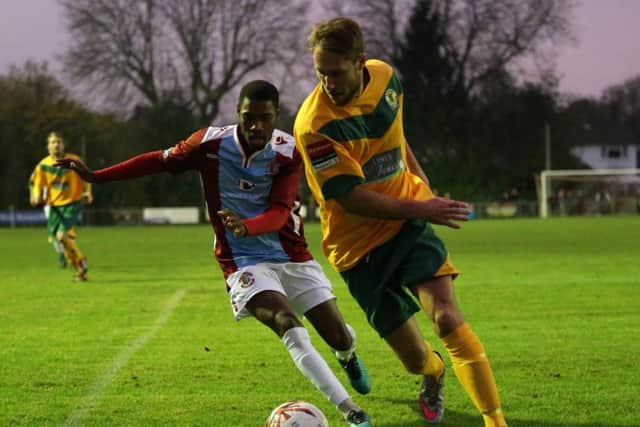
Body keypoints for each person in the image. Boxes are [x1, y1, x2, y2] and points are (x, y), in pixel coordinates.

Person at [56, 80, 372, 427]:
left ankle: (348, 355)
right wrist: (97, 177)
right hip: (241, 260)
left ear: (275, 116)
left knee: (339, 336)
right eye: (248, 117)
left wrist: (246, 225)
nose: (256, 126)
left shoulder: (287, 151)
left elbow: (282, 211)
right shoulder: (208, 144)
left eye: (264, 118)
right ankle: (351, 411)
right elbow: (157, 161)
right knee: (288, 324)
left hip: (291, 255)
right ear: (237, 112)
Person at [294, 17, 508, 427]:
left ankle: (495, 421)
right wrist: (423, 208)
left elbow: (396, 135)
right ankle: (435, 374)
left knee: (446, 317)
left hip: (406, 224)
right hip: (356, 248)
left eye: (336, 73)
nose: (328, 84)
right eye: (321, 73)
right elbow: (353, 199)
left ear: (360, 62)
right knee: (414, 359)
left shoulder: (388, 79)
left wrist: (421, 184)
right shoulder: (314, 126)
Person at [30, 131, 92, 281]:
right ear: (48, 146)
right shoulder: (43, 165)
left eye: (58, 142)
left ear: (63, 145)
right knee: (61, 241)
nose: (56, 145)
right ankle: (79, 268)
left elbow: (87, 177)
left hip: (72, 204)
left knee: (62, 236)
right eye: (53, 142)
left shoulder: (74, 161)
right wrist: (35, 195)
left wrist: (88, 192)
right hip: (54, 208)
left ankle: (82, 263)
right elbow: (36, 183)